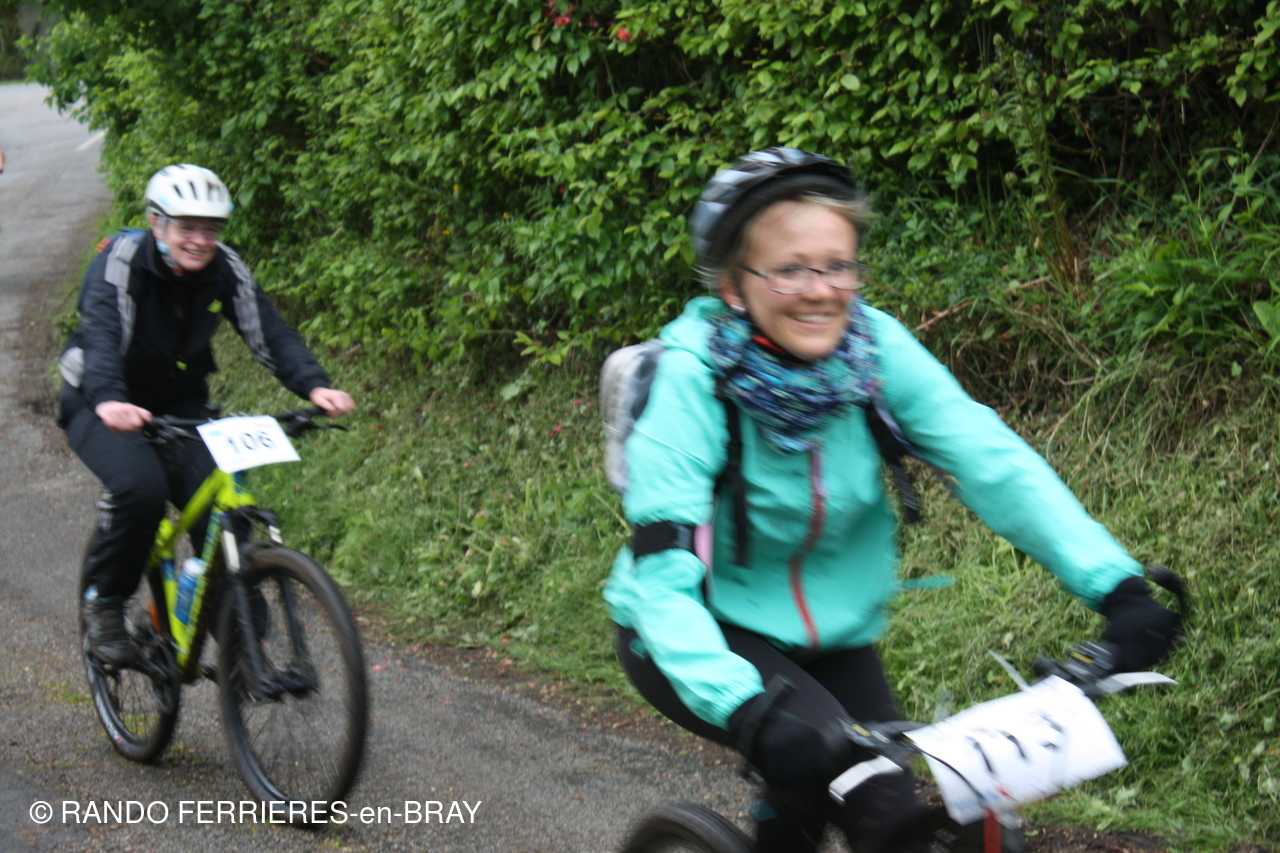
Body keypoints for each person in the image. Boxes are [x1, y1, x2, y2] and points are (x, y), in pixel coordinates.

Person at [603, 148, 1181, 851]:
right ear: (733, 285)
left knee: (897, 817)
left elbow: (990, 459)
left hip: (836, 637)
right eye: (789, 269)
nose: (820, 291)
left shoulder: (873, 352)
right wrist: (744, 706)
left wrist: (1117, 586)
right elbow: (664, 583)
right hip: (699, 632)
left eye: (837, 265)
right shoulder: (691, 385)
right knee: (863, 788)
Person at [59, 163, 354, 667]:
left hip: (180, 408)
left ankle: (241, 640)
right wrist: (109, 399)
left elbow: (269, 332)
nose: (200, 240)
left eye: (211, 229)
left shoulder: (224, 267)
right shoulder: (121, 259)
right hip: (100, 401)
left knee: (225, 511)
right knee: (141, 489)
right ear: (157, 224)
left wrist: (315, 385)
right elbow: (103, 334)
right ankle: (104, 603)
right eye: (187, 227)